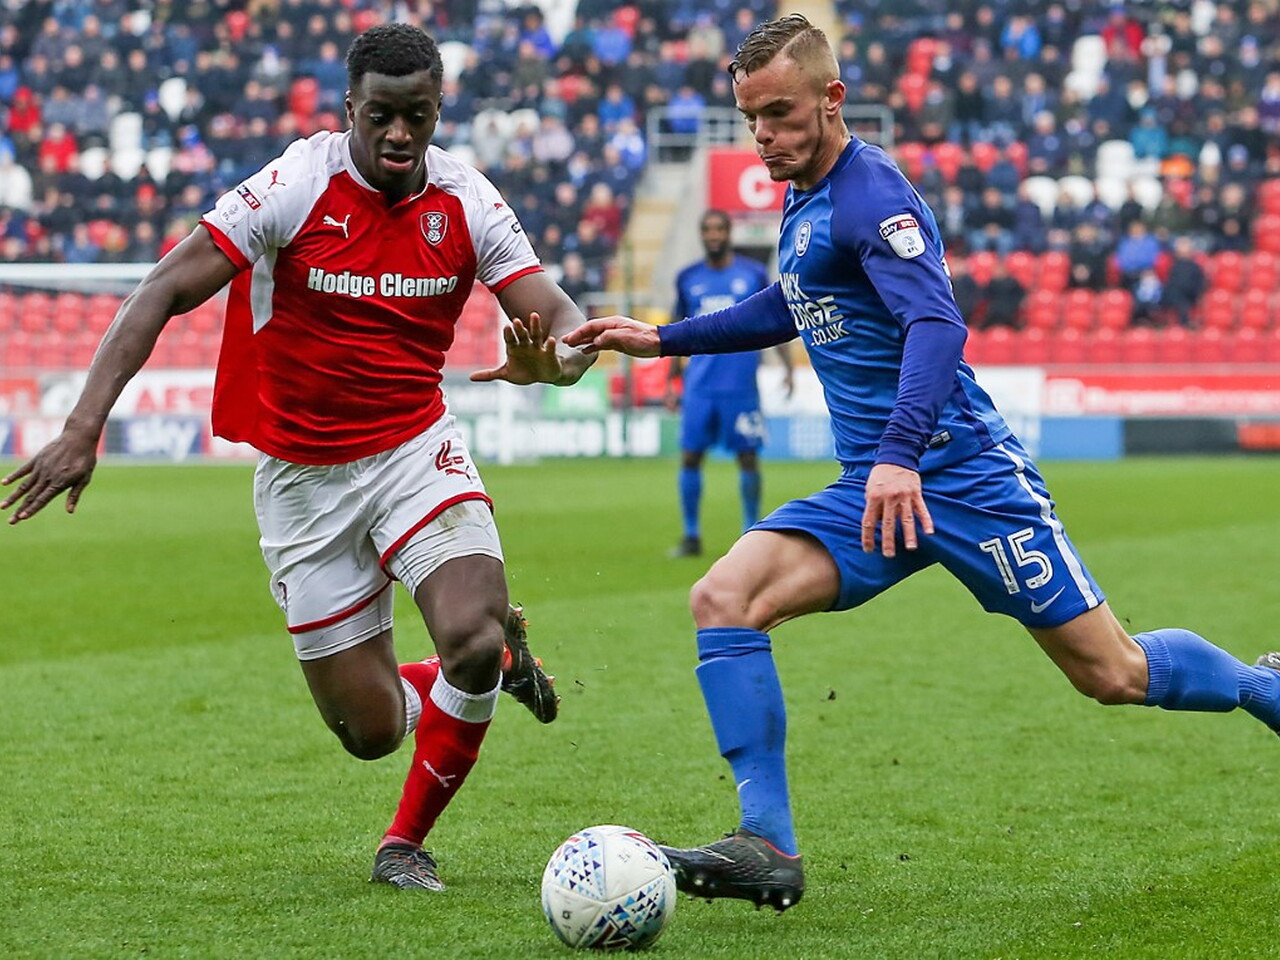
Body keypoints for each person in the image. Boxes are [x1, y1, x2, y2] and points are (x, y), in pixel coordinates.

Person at [565, 14, 1280, 913]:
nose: (764, 136)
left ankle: (1262, 686)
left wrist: (900, 455)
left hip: (962, 478)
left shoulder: (873, 196)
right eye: (751, 119)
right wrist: (663, 338)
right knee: (723, 597)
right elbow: (792, 302)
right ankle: (767, 843)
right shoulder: (802, 195)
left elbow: (937, 326)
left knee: (1112, 674)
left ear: (832, 99)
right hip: (875, 488)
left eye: (780, 114)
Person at [1, 23, 595, 893]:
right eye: (382, 115)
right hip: (303, 482)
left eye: (419, 116)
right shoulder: (294, 185)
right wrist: (83, 426)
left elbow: (561, 315)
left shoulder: (468, 200)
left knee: (468, 634)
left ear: (440, 110)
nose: (400, 134)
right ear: (350, 108)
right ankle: (499, 667)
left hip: (414, 450)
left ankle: (406, 842)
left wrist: (562, 361)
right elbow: (163, 288)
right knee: (371, 731)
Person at [665, 209, 792, 558]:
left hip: (741, 386)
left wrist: (787, 366)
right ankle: (691, 536)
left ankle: (751, 532)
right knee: (690, 457)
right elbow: (676, 331)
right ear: (701, 234)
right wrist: (671, 380)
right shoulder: (688, 277)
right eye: (708, 229)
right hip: (699, 386)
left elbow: (773, 320)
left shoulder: (752, 274)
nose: (714, 235)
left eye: (719, 229)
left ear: (729, 233)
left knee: (748, 458)